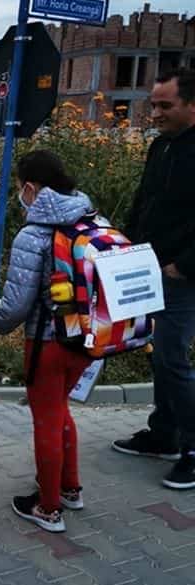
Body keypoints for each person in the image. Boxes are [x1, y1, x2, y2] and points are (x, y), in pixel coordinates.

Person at [0, 151, 94, 533]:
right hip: (86, 340)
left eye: (20, 189)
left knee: (45, 422)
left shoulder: (33, 235)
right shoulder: (91, 220)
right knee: (62, 411)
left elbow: (16, 305)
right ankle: (70, 487)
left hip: (47, 344)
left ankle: (48, 507)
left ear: (30, 188)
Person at [111, 68, 195, 490]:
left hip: (182, 275)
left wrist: (184, 265)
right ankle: (164, 434)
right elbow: (145, 201)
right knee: (160, 357)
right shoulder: (161, 147)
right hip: (149, 268)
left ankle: (192, 448)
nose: (155, 113)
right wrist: (127, 245)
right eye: (154, 105)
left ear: (191, 105)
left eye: (165, 105)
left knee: (172, 359)